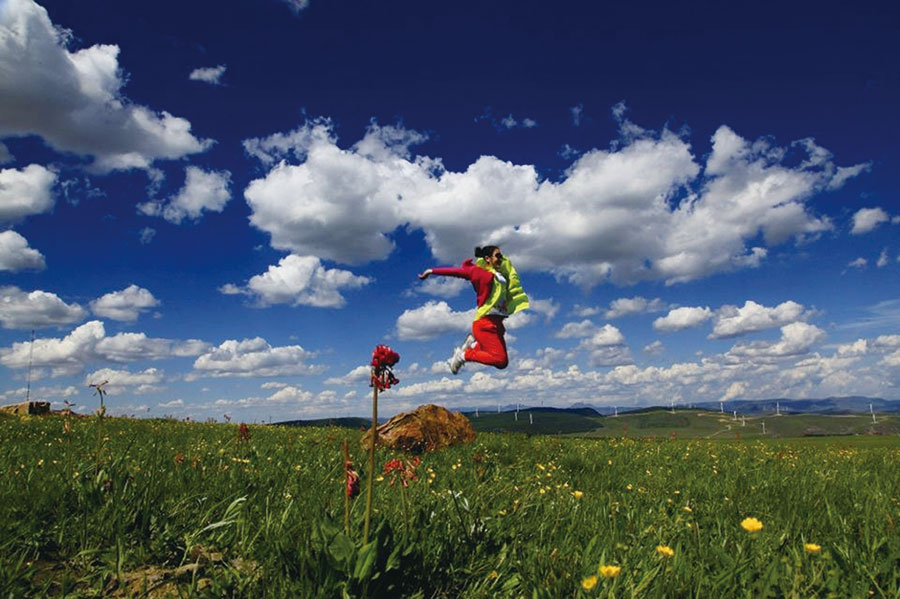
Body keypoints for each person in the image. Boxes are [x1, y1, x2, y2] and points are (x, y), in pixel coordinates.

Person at [418, 246, 529, 374]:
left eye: (501, 256)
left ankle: (474, 345)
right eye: (497, 256)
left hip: (497, 323)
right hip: (485, 323)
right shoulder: (480, 273)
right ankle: (463, 355)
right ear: (487, 259)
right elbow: (456, 272)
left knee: (502, 363)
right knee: (500, 359)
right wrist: (431, 271)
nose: (501, 258)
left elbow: (508, 272)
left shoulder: (500, 275)